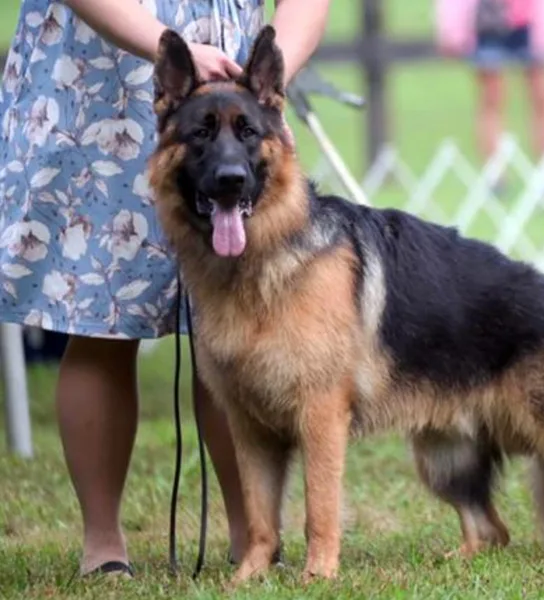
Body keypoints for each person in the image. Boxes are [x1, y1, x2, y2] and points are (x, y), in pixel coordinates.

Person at [0, 0, 331, 578]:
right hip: (101, 77)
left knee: (237, 328)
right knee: (99, 319)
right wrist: (163, 43)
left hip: (235, 80)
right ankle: (102, 549)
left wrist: (265, 79)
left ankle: (252, 539)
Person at [435, 0, 544, 194]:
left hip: (534, 21)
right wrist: (451, 29)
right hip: (488, 20)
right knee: (491, 99)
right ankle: (496, 176)